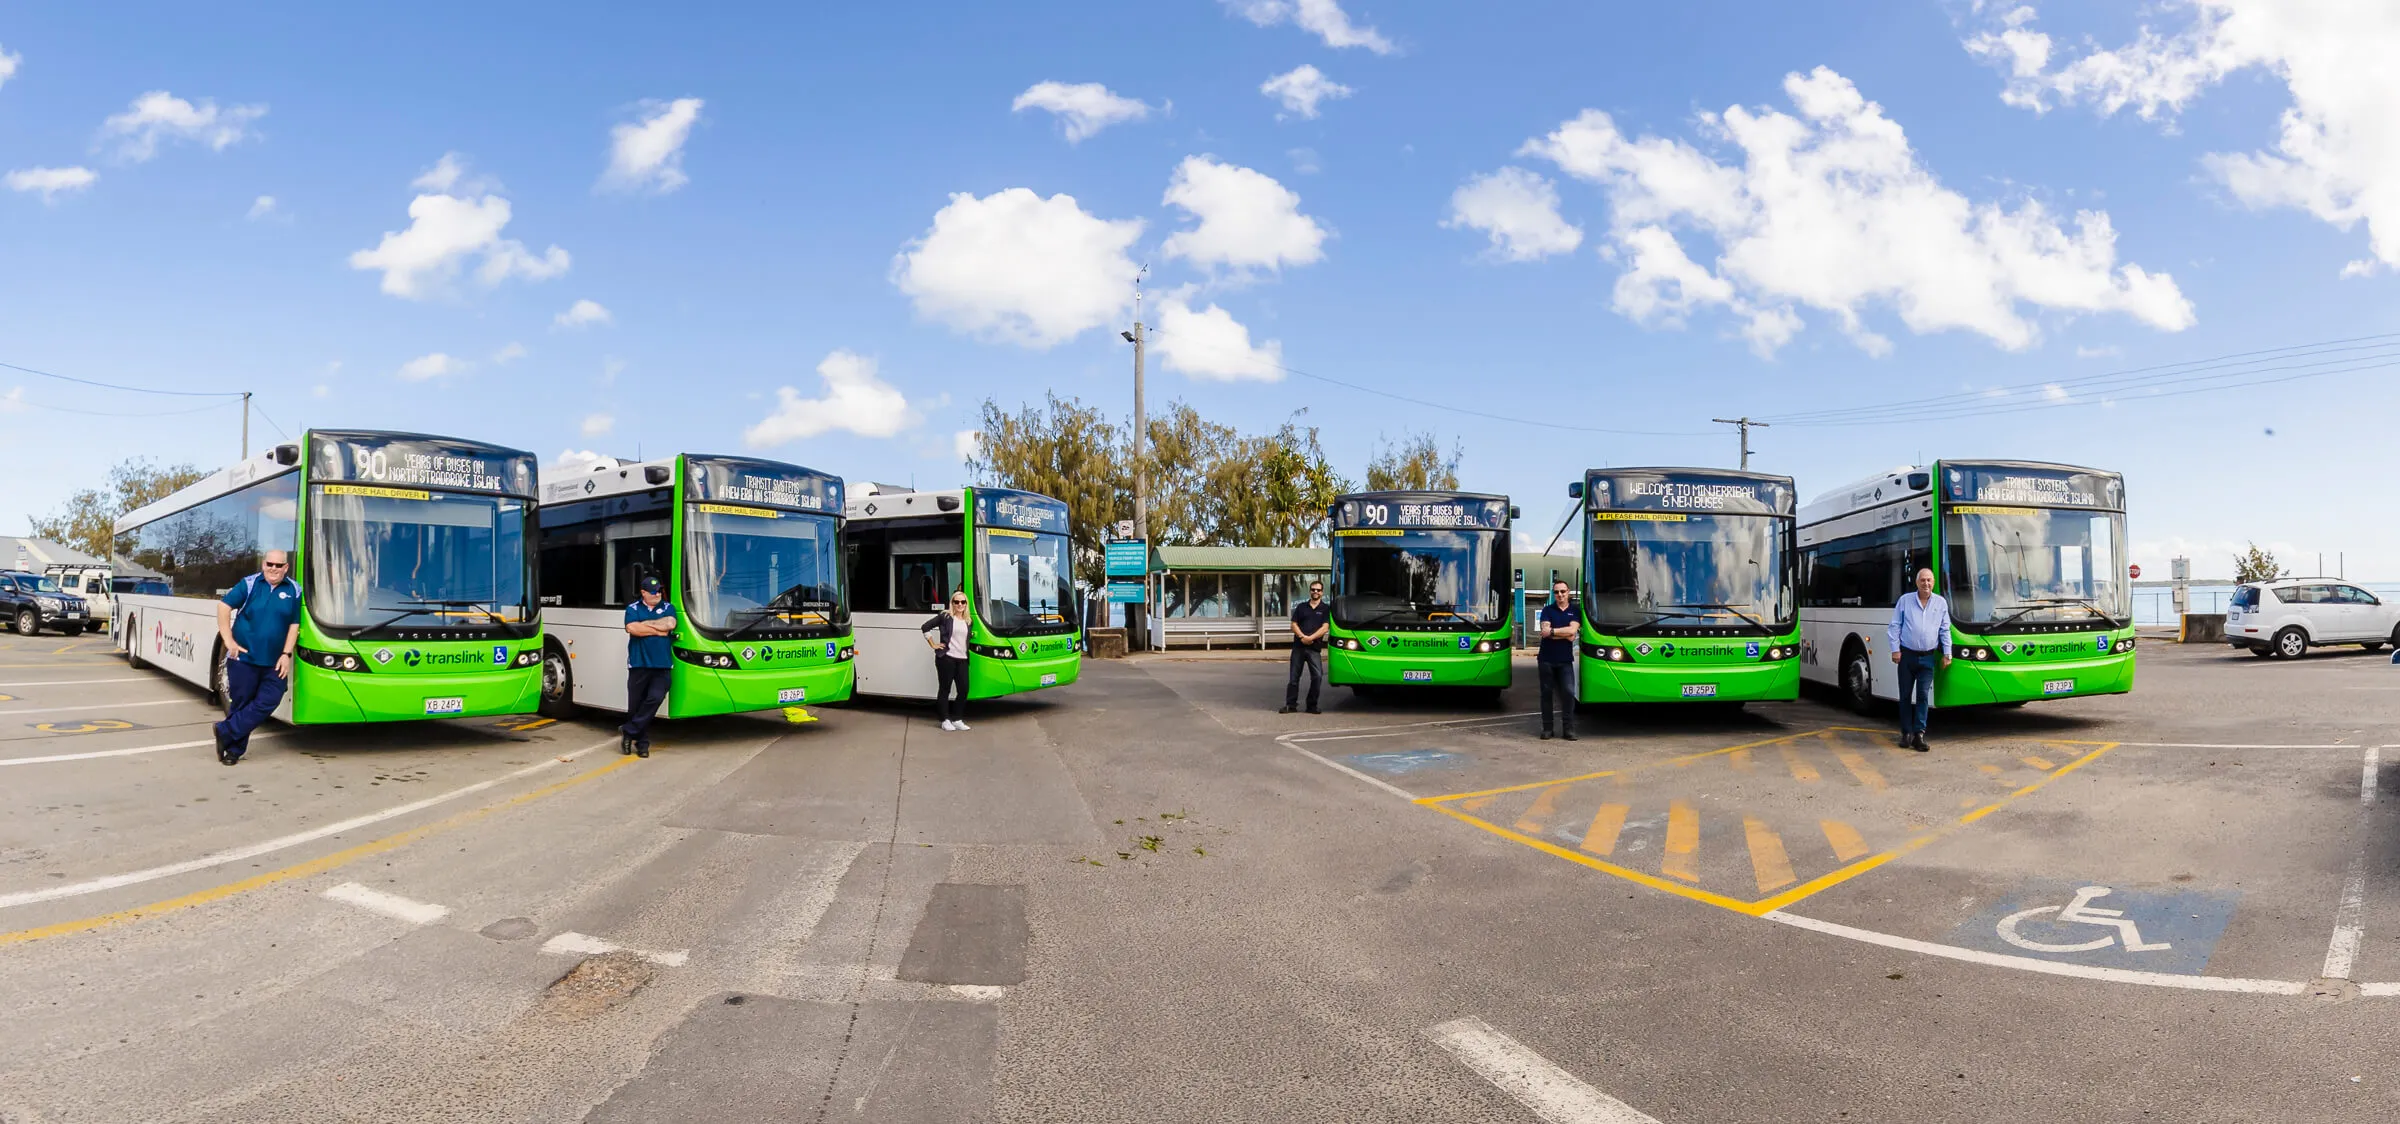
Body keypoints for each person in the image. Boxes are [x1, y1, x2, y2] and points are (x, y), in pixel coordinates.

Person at [211, 550, 301, 765]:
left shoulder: (294, 590)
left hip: (274, 661)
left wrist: (286, 654)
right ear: (263, 564)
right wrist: (229, 641)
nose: (274, 569)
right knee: (242, 704)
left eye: (279, 565)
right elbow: (224, 606)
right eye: (270, 564)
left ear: (286, 568)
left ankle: (225, 730)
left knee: (270, 699)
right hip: (244, 659)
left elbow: (294, 625)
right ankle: (233, 751)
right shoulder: (249, 584)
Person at [1888, 567, 1952, 752]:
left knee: (1923, 696)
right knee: (1905, 696)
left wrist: (1947, 653)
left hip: (1927, 658)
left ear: (1933, 583)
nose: (1926, 583)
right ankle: (1906, 733)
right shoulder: (1905, 601)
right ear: (1917, 583)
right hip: (1907, 656)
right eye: (1922, 580)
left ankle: (1919, 734)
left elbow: (1944, 629)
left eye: (1929, 580)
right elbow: (1895, 627)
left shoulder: (1940, 603)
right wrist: (1895, 650)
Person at [622, 574, 677, 758]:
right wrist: (658, 630)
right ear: (643, 592)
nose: (657, 595)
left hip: (661, 665)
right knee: (636, 705)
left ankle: (629, 731)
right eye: (652, 592)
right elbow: (633, 628)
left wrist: (646, 625)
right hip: (639, 664)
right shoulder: (632, 608)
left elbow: (670, 624)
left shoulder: (668, 607)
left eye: (659, 591)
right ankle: (642, 743)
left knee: (655, 698)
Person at [1536, 580, 1580, 740]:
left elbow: (1573, 631)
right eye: (1556, 592)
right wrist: (1565, 633)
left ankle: (1568, 729)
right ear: (1553, 594)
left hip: (1565, 661)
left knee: (1568, 692)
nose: (1560, 595)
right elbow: (1545, 631)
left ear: (1568, 592)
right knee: (1546, 694)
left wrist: (1553, 631)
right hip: (1546, 659)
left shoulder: (1575, 611)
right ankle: (1548, 728)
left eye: (1563, 591)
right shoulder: (1547, 610)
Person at [1282, 579, 1331, 714]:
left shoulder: (1325, 609)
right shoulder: (1301, 607)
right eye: (1313, 589)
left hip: (1314, 649)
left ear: (1322, 592)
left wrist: (1311, 638)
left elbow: (1325, 627)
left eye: (1318, 590)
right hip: (1298, 647)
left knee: (1317, 677)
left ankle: (1312, 705)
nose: (1315, 592)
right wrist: (1302, 637)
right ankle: (1290, 705)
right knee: (1293, 678)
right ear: (1310, 591)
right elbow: (1294, 624)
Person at [924, 589, 971, 730]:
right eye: (956, 602)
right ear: (952, 603)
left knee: (964, 689)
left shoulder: (969, 621)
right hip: (947, 658)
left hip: (962, 659)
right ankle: (945, 720)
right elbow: (925, 627)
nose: (960, 604)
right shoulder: (945, 616)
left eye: (963, 602)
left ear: (966, 604)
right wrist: (933, 644)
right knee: (945, 689)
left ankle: (957, 719)